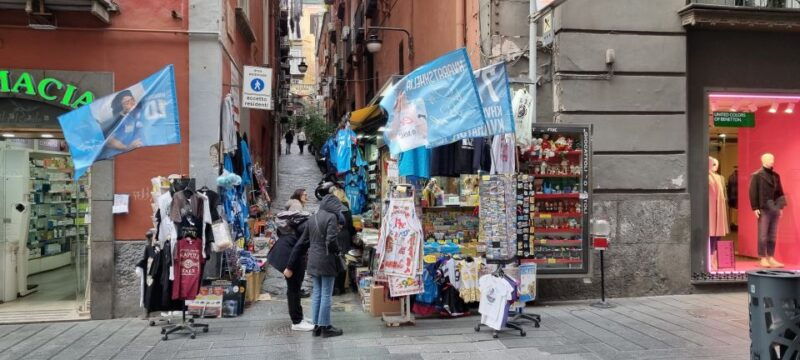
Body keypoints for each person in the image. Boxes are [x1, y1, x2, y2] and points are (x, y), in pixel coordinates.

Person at [285, 184, 345, 338]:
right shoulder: (331, 217)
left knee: (317, 293)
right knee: (326, 294)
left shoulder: (312, 218)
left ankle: (317, 326)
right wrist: (338, 251)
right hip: (326, 260)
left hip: (313, 259)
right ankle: (326, 327)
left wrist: (290, 264)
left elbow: (302, 242)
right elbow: (331, 241)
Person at [267, 211, 314, 331]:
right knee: (293, 289)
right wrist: (289, 267)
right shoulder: (310, 228)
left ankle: (299, 317)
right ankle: (297, 322)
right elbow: (298, 248)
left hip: (287, 253)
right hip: (288, 257)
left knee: (295, 288)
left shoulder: (306, 224)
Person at [98, 89, 145, 159]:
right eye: (127, 102)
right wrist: (127, 147)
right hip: (116, 157)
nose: (131, 103)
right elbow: (109, 140)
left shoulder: (136, 114)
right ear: (121, 107)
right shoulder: (117, 121)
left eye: (132, 100)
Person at [330, 187, 355, 295]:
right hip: (344, 236)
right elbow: (350, 226)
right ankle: (342, 287)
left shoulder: (331, 209)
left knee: (334, 260)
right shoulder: (346, 210)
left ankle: (334, 286)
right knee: (344, 261)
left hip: (335, 235)